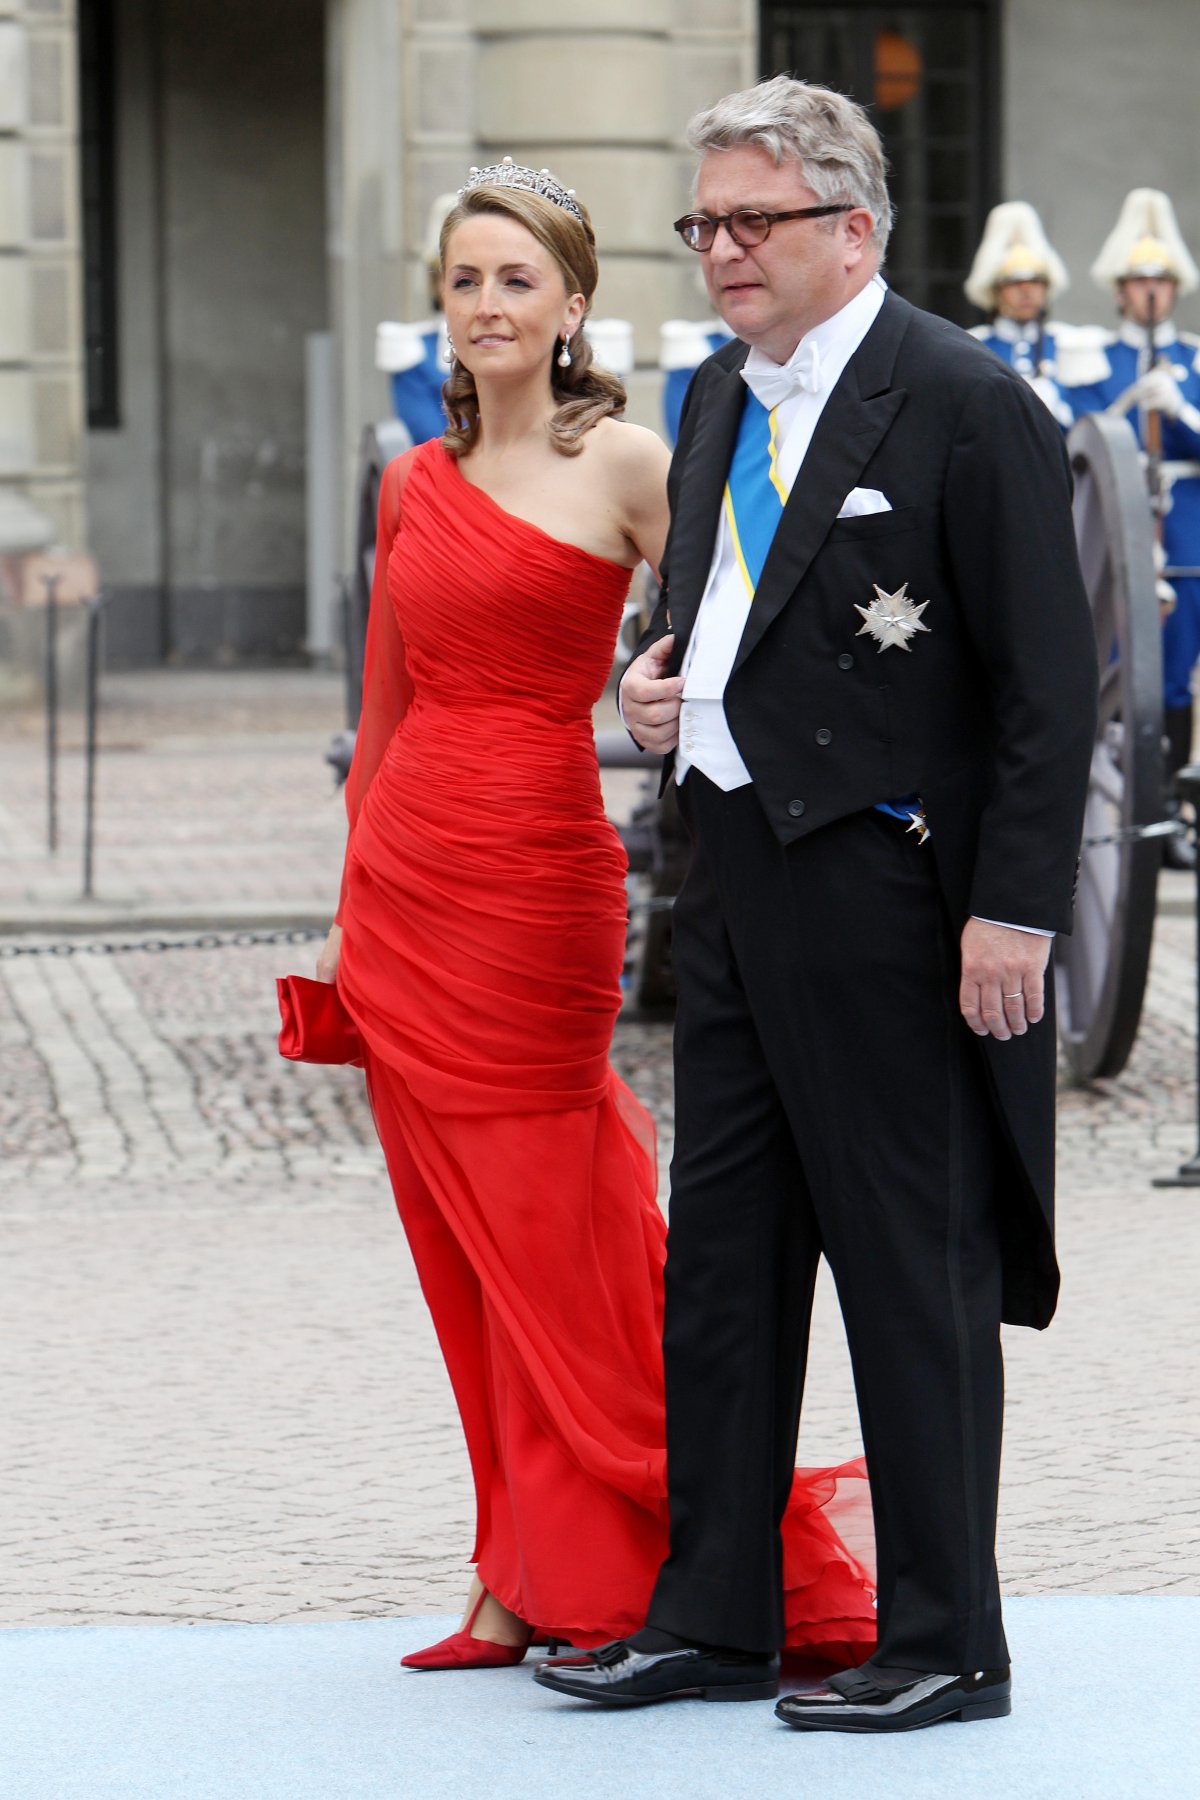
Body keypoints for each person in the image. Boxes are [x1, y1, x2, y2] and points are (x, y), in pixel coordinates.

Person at [536, 76, 1096, 1730]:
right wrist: (662, 690)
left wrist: (1016, 913)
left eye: (753, 222)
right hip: (726, 869)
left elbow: (1049, 689)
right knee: (724, 1260)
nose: (721, 250)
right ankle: (713, 1617)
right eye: (704, 222)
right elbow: (717, 605)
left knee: (910, 1266)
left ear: (854, 226)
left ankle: (945, 1638)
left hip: (888, 881)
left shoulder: (963, 398)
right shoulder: (716, 398)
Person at [316, 157, 877, 1671]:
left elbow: (744, 615)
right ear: (441, 307)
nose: (488, 305)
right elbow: (383, 714)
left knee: (556, 1239)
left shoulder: (632, 462)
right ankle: (513, 1569)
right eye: (464, 281)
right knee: (459, 1252)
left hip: (539, 886)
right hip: (410, 889)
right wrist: (350, 906)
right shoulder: (408, 481)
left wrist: (676, 698)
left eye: (517, 280)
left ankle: (668, 1556)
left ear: (573, 305)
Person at [1062, 187, 1200, 871]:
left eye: (1161, 279)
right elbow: (1084, 443)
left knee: (1174, 674)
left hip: (1183, 527)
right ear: (1120, 290)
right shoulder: (1094, 358)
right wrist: (1127, 401)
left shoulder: (1196, 359)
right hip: (1120, 529)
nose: (1150, 290)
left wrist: (1180, 411)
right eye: (1139, 280)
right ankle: (1125, 805)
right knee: (1117, 660)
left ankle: (1175, 810)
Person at [963, 200, 1075, 427]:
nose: (1026, 291)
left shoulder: (1070, 345)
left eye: (1035, 282)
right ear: (996, 291)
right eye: (1014, 283)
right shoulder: (973, 345)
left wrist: (1061, 411)